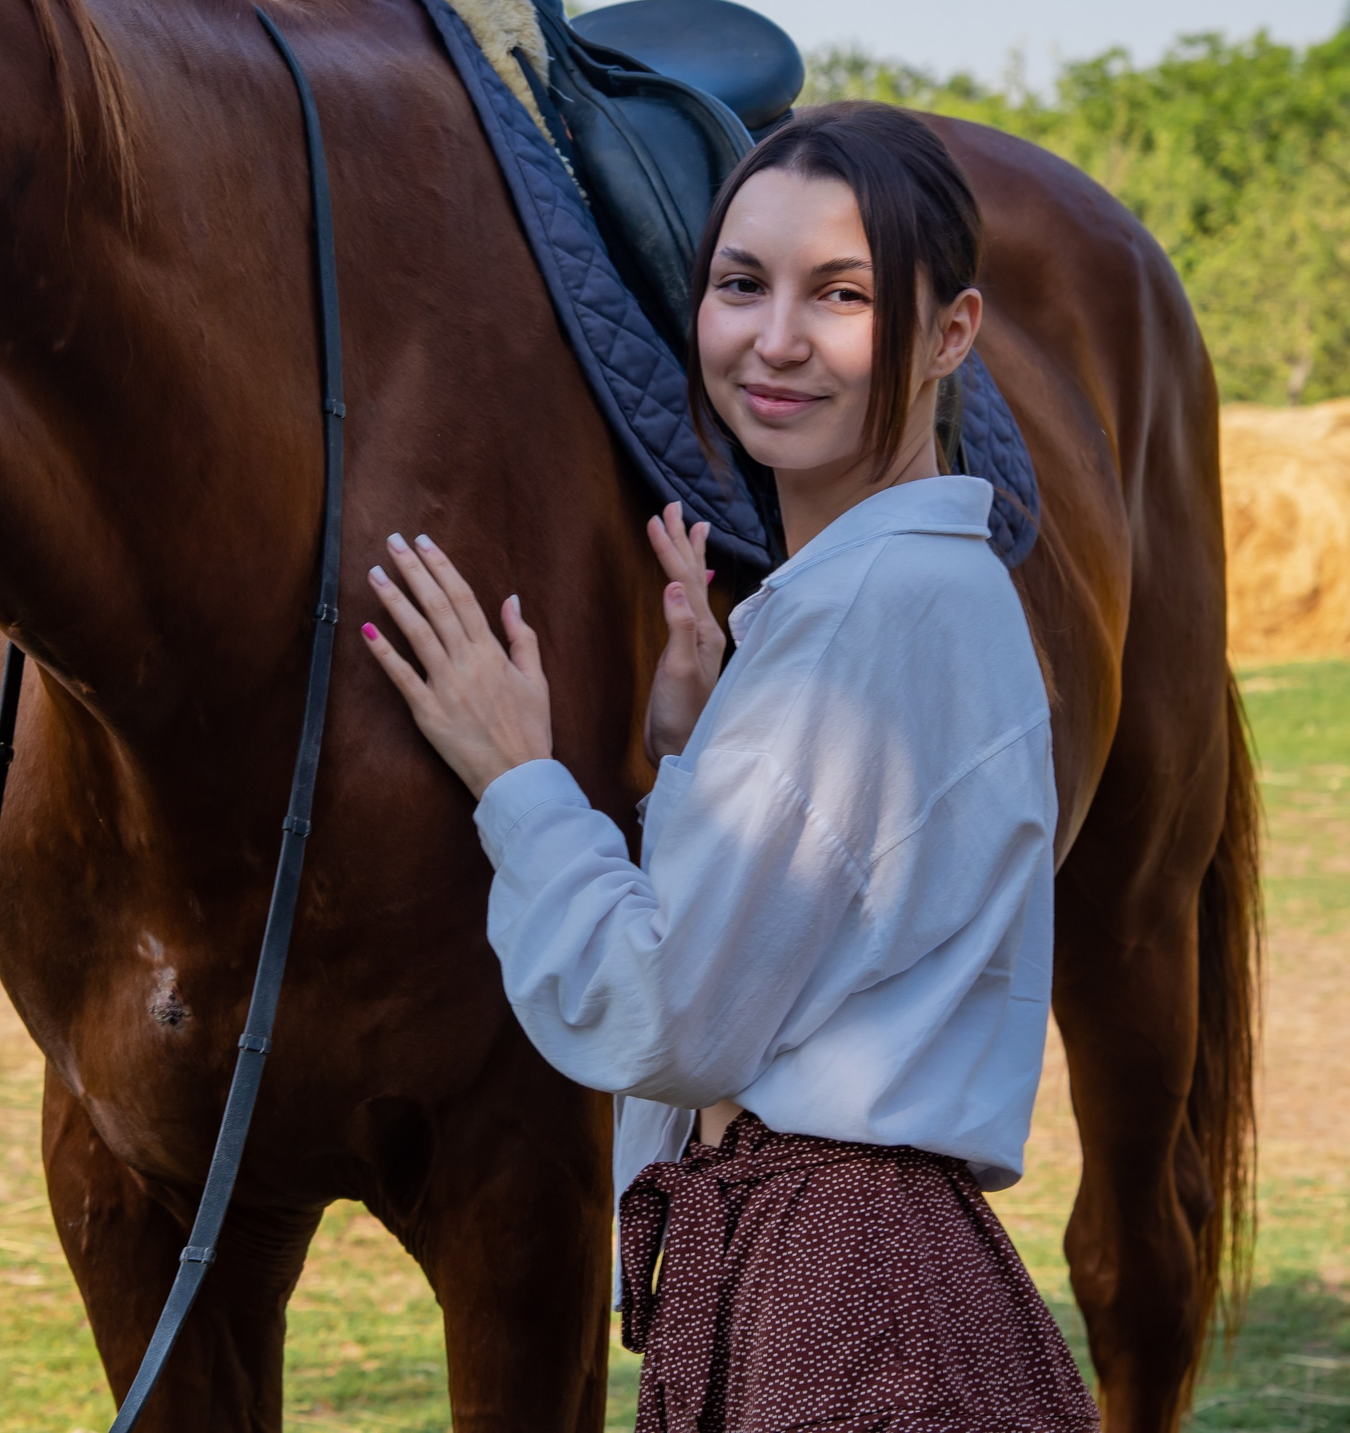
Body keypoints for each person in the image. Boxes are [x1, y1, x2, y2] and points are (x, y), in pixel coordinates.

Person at [358, 100, 1097, 1430]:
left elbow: (674, 1017)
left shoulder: (858, 619)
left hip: (848, 1314)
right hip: (859, 1281)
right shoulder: (926, 588)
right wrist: (688, 755)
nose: (775, 339)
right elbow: (820, 932)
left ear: (950, 334)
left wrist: (519, 779)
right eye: (740, 284)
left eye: (843, 294)